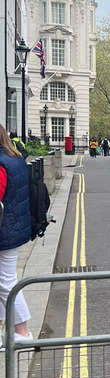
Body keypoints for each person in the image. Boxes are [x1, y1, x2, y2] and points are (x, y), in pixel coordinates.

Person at [0, 125, 33, 344]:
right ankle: (11, 331)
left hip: (5, 231)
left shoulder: (2, 163)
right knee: (4, 280)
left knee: (6, 281)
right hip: (13, 227)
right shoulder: (14, 158)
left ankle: (22, 332)